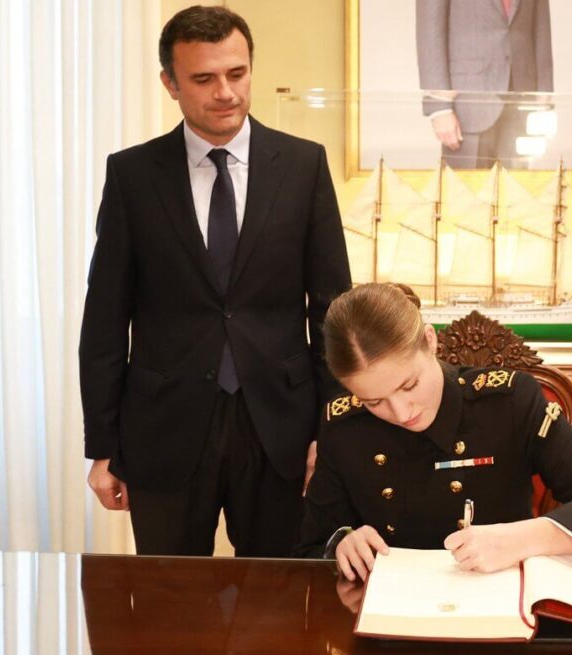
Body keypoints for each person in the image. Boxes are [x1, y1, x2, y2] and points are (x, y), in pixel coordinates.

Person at [79, 5, 351, 557]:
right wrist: (102, 446)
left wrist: (334, 427)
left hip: (282, 427)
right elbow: (105, 319)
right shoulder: (132, 175)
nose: (225, 92)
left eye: (237, 73)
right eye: (203, 78)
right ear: (170, 84)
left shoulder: (304, 166)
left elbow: (332, 313)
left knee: (278, 609)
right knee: (169, 607)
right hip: (164, 427)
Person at [295, 283, 572, 581]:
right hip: (390, 617)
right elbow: (310, 546)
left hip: (503, 612)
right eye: (374, 402)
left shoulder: (509, 402)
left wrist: (526, 538)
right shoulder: (343, 425)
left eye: (409, 385)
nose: (402, 413)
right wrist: (341, 543)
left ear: (430, 341)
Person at [415, 0, 553, 169]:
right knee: (466, 192)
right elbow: (429, 28)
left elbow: (541, 22)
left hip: (521, 100)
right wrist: (439, 107)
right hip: (467, 103)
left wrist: (545, 96)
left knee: (517, 191)